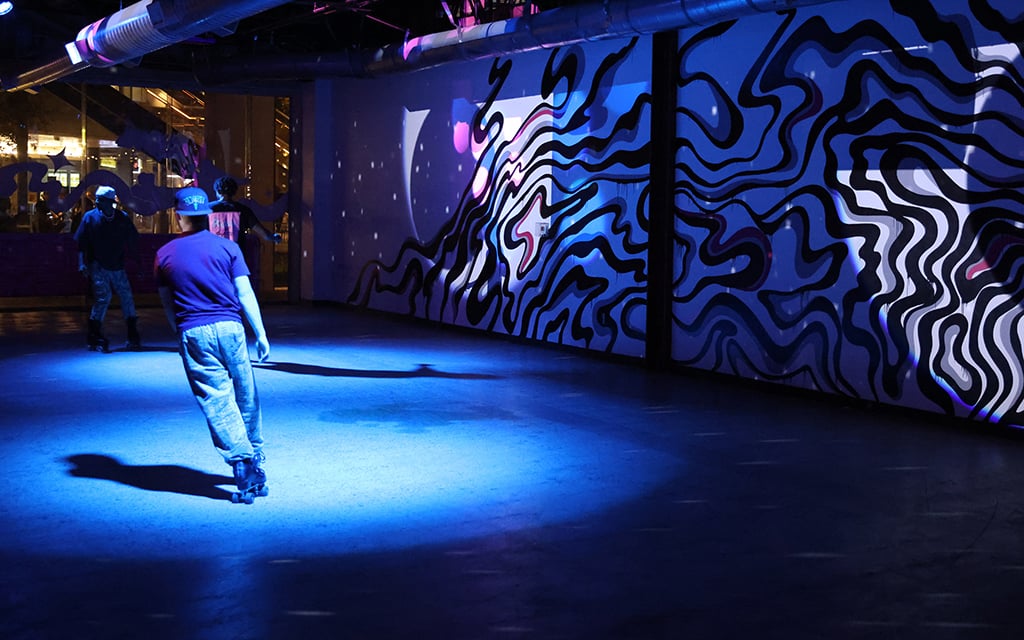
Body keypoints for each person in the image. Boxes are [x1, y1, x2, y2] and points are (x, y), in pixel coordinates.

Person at [155, 186, 272, 504]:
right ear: (207, 214)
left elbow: (168, 305)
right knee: (246, 394)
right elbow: (245, 293)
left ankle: (242, 462)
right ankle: (255, 458)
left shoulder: (164, 255)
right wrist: (260, 333)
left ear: (179, 216)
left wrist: (178, 335)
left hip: (193, 331)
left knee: (217, 399)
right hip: (231, 328)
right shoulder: (227, 248)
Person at [74, 185, 141, 352]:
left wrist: (137, 263)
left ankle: (132, 334)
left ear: (110, 202)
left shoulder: (122, 218)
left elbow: (133, 242)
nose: (97, 203)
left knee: (126, 297)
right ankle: (94, 335)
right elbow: (82, 243)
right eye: (97, 200)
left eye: (101, 201)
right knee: (103, 298)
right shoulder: (90, 218)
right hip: (98, 264)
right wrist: (82, 262)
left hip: (117, 264)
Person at [209, 176, 281, 293]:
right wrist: (273, 237)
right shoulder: (243, 210)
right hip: (236, 258)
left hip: (214, 258)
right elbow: (263, 233)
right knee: (237, 290)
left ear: (217, 190)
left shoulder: (208, 209)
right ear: (234, 191)